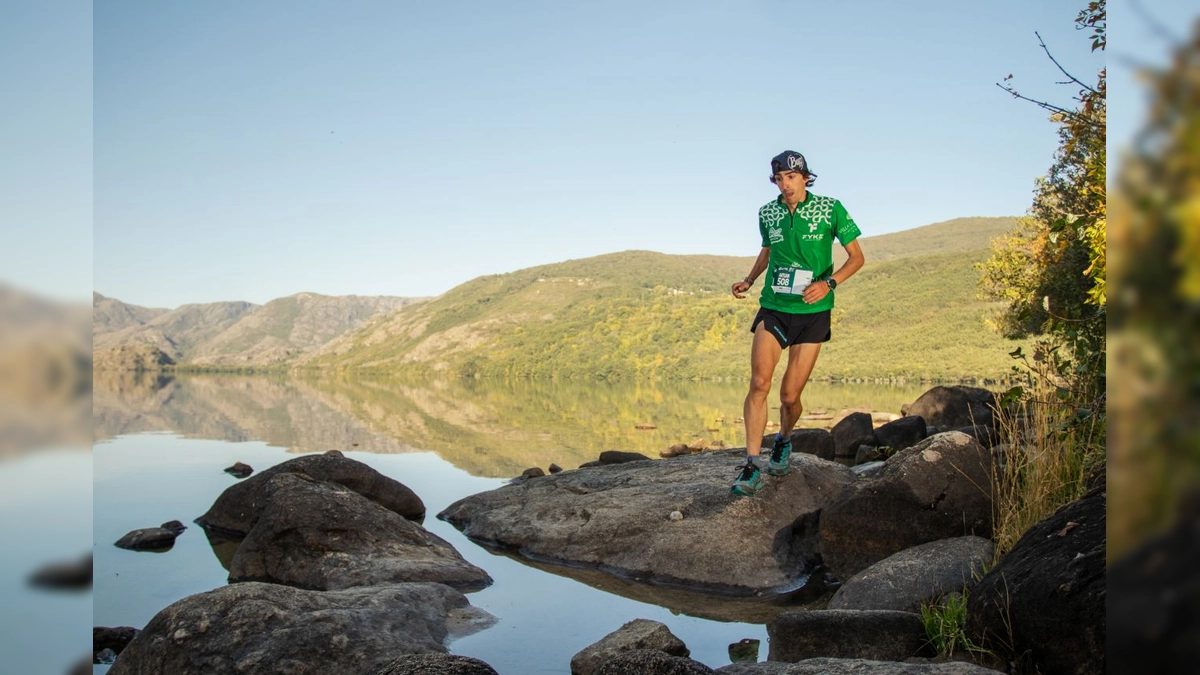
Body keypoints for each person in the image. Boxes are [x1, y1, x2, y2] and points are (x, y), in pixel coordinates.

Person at [729, 150, 865, 496]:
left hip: (813, 312)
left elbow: (857, 257)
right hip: (774, 306)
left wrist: (829, 283)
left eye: (791, 177)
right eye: (779, 179)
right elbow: (769, 250)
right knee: (759, 383)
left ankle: (784, 439)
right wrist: (750, 279)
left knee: (790, 396)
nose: (785, 184)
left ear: (805, 177)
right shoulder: (768, 212)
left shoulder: (830, 208)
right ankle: (750, 465)